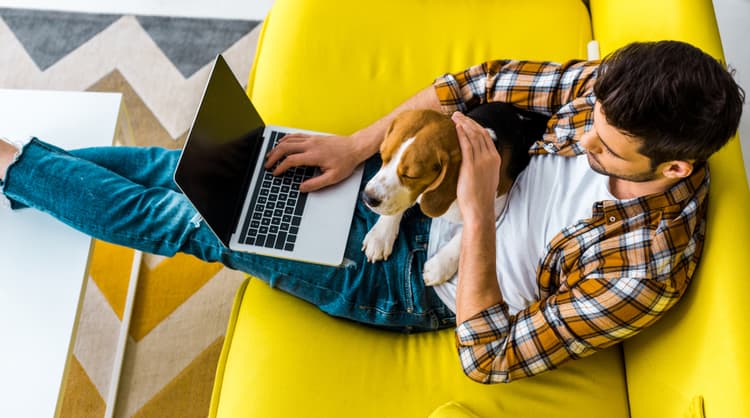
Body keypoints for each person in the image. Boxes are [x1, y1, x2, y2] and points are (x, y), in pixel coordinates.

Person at [0, 40, 744, 383]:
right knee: (203, 171)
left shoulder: (645, 268)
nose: (581, 139)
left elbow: (489, 357)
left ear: (674, 168)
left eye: (607, 148)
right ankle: (19, 174)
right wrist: (359, 150)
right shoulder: (608, 95)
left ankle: (13, 165)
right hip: (408, 193)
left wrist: (479, 213)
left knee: (189, 221)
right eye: (587, 123)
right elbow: (473, 80)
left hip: (409, 282)